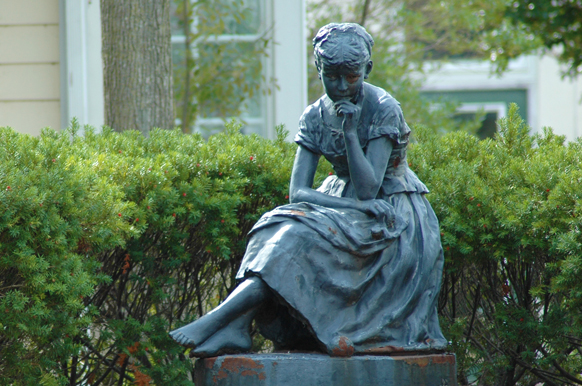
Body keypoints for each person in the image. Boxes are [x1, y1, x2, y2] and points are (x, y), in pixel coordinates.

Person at [170, 22, 447, 358]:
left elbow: (368, 188)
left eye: (352, 77)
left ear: (367, 70)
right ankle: (235, 326)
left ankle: (220, 320)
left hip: (390, 210)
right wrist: (347, 207)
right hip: (347, 204)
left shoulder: (383, 108)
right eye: (331, 76)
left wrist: (349, 133)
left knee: (294, 239)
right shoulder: (314, 115)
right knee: (276, 225)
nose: (342, 86)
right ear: (318, 70)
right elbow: (298, 193)